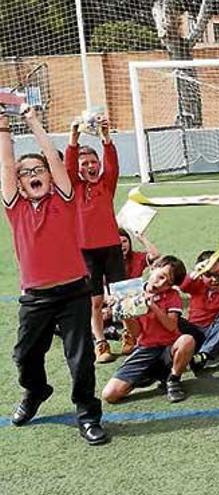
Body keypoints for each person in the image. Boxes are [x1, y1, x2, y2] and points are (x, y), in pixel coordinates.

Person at [1, 108, 107, 445]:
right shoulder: (15, 206)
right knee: (24, 355)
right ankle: (36, 391)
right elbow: (6, 165)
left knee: (80, 359)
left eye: (39, 170)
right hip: (36, 297)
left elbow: (52, 157)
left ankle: (88, 415)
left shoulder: (63, 199)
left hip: (74, 292)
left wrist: (32, 121)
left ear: (50, 175)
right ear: (18, 182)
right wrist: (3, 127)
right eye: (25, 172)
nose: (32, 174)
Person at [65, 114, 125, 364]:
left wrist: (105, 137)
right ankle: (100, 342)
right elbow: (67, 165)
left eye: (93, 161)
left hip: (111, 247)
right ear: (78, 169)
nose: (91, 166)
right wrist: (74, 137)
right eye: (85, 163)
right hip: (85, 251)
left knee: (123, 295)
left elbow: (112, 164)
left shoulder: (106, 184)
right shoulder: (74, 187)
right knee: (95, 300)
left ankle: (130, 335)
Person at [102, 256, 195, 404]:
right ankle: (147, 375)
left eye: (167, 282)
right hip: (146, 348)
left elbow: (171, 326)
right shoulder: (132, 291)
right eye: (161, 276)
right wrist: (123, 313)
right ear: (152, 269)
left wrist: (153, 306)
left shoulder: (172, 296)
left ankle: (173, 379)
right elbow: (136, 333)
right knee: (110, 395)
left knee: (187, 340)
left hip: (168, 347)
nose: (161, 283)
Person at [106, 228, 161, 355]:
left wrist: (142, 238)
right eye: (118, 243)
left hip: (134, 302)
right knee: (101, 315)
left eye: (125, 241)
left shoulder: (137, 257)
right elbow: (101, 287)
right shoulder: (108, 262)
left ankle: (126, 334)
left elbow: (155, 255)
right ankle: (108, 332)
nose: (122, 245)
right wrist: (108, 299)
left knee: (145, 313)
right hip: (112, 301)